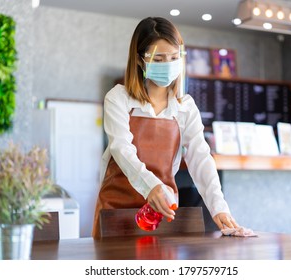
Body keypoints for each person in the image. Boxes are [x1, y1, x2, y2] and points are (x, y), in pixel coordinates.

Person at [92, 17, 239, 238]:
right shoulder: (118, 98)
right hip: (116, 209)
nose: (168, 65)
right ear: (140, 60)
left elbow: (200, 157)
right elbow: (121, 149)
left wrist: (218, 207)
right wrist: (151, 186)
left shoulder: (185, 107)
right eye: (159, 59)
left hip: (161, 213)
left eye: (173, 58)